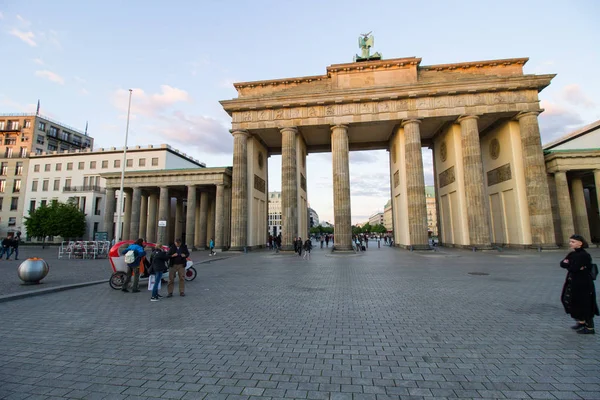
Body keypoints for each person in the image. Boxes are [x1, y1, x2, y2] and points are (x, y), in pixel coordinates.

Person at [560, 234, 599, 334]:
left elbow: (573, 267)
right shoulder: (573, 254)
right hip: (573, 281)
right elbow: (562, 264)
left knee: (585, 304)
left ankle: (590, 327)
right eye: (570, 241)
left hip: (583, 283)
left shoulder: (584, 255)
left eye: (573, 242)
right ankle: (581, 322)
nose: (570, 243)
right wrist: (569, 264)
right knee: (572, 301)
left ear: (580, 243)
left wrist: (569, 264)